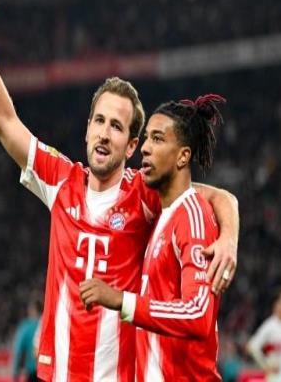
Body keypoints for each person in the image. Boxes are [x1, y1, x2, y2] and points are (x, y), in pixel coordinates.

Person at [0, 0, 239, 381]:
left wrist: (229, 237)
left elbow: (215, 198)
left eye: (117, 126)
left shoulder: (144, 192)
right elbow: (4, 121)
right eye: (100, 121)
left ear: (131, 145)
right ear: (87, 129)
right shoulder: (61, 180)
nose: (105, 133)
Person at [79, 95, 229, 381]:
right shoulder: (162, 218)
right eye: (146, 138)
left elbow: (198, 314)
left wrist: (121, 300)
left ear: (183, 156)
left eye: (158, 139)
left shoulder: (192, 216)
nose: (145, 148)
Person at [13, 299, 42, 382]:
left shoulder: (26, 327)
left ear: (31, 310)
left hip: (32, 372)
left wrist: (15, 373)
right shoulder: (47, 324)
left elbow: (18, 351)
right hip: (46, 372)